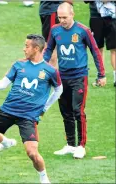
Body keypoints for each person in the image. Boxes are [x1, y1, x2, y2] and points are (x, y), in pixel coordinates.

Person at [0, 34, 63, 184]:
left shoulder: (50, 71)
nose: (24, 49)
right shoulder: (18, 65)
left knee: (32, 153)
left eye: (27, 46)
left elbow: (59, 89)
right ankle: (6, 142)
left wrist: (44, 108)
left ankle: (44, 178)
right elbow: (3, 83)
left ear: (36, 48)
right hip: (7, 110)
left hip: (28, 117)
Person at [43, 2, 106, 159]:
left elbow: (95, 51)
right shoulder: (55, 30)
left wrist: (101, 74)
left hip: (79, 77)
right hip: (61, 77)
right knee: (65, 111)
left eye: (65, 17)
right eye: (60, 17)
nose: (62, 20)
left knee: (78, 110)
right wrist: (41, 66)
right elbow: (49, 49)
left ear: (72, 14)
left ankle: (81, 146)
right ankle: (70, 144)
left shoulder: (83, 30)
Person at [84, 1, 116, 87]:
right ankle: (101, 78)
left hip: (112, 16)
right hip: (96, 16)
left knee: (114, 49)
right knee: (98, 49)